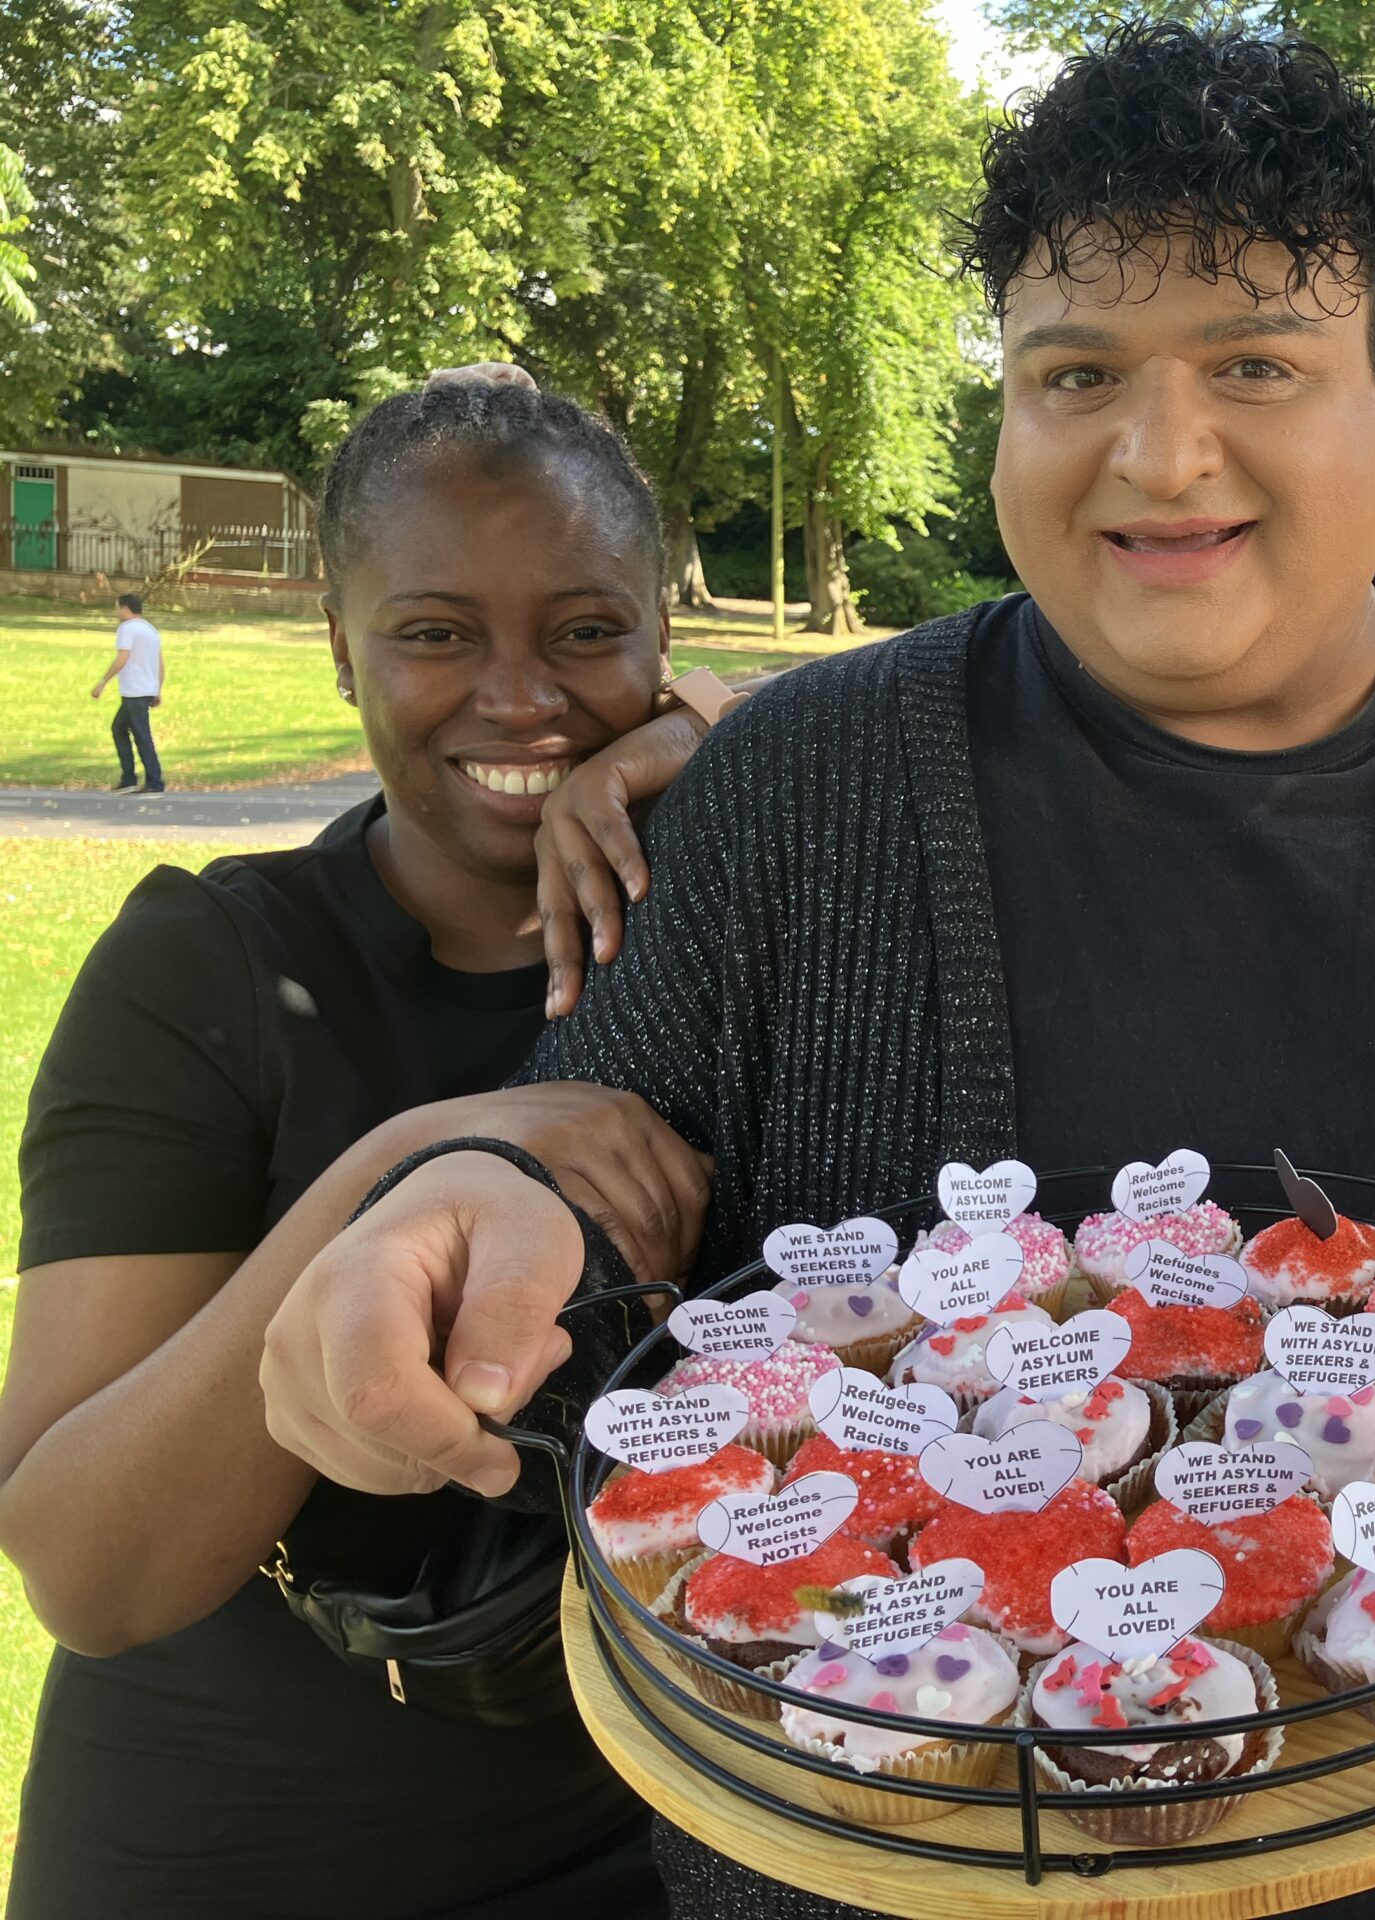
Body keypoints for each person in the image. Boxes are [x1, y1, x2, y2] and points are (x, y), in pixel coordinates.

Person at [258, 26, 1375, 1920]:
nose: (1160, 455)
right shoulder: (800, 788)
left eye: (1255, 365)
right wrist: (471, 1204)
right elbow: (603, 1174)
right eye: (1076, 372)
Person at [0, 382, 730, 1918]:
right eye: (437, 634)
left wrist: (751, 753)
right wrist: (415, 1157)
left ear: (666, 642)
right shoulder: (214, 966)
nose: (521, 698)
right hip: (253, 1851)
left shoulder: (739, 941)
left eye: (588, 632)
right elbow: (86, 1568)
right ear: (344, 650)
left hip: (657, 1845)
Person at [89, 589, 165, 792]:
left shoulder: (128, 628)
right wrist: (157, 689)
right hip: (144, 689)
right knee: (119, 729)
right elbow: (160, 663)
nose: (116, 612)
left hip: (135, 691)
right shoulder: (150, 630)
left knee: (141, 735)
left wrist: (103, 682)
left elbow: (122, 658)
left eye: (117, 608)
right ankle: (129, 777)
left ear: (125, 608)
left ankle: (154, 782)